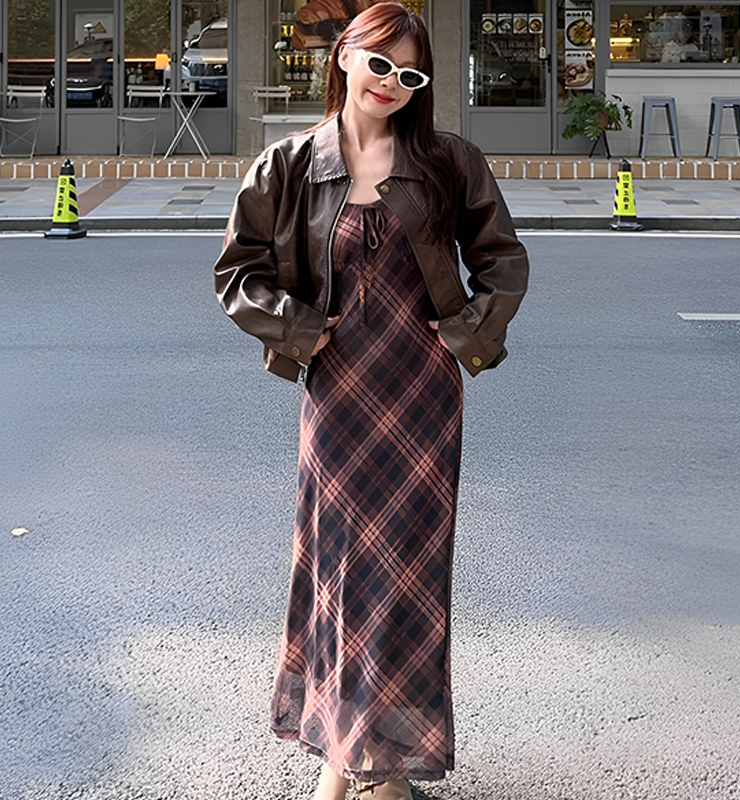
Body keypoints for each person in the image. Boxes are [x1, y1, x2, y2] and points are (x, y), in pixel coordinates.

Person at [213, 3, 528, 798]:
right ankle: (348, 760)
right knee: (341, 577)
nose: (392, 82)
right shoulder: (288, 165)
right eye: (380, 62)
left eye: (410, 73)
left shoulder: (449, 162)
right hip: (339, 396)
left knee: (409, 582)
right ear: (345, 57)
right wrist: (296, 329)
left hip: (423, 397)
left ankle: (375, 767)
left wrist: (465, 332)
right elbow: (237, 274)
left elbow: (502, 259)